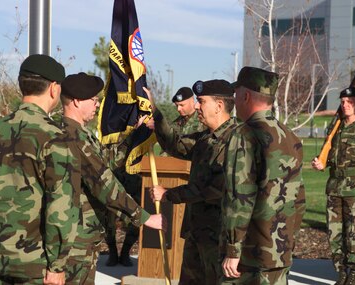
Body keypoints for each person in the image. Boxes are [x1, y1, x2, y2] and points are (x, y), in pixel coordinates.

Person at [0, 54, 78, 285]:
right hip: (38, 269)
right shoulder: (56, 139)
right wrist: (57, 265)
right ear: (54, 89)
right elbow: (62, 207)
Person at [59, 72, 166, 284]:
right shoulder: (76, 137)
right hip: (74, 239)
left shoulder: (62, 131)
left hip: (71, 235)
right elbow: (105, 183)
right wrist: (145, 218)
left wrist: (135, 136)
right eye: (93, 100)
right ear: (77, 102)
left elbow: (107, 166)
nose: (98, 105)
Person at [146, 80, 237, 285]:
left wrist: (168, 194)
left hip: (217, 236)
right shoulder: (206, 138)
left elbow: (212, 189)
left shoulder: (235, 141)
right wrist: (155, 111)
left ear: (219, 105)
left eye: (201, 101)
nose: (196, 106)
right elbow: (175, 143)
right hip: (196, 231)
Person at [221, 66, 305, 285]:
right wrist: (287, 243)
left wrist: (232, 249)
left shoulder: (244, 134)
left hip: (250, 256)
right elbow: (299, 199)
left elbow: (240, 197)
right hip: (279, 251)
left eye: (236, 93)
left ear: (246, 95)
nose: (234, 99)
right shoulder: (291, 137)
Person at [311, 86, 355, 285]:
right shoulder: (336, 128)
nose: (345, 105)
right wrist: (320, 164)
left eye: (350, 102)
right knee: (334, 234)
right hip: (334, 188)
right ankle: (341, 273)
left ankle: (354, 274)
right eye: (342, 102)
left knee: (354, 234)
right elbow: (329, 155)